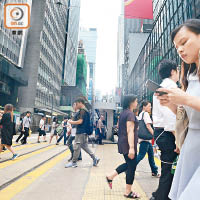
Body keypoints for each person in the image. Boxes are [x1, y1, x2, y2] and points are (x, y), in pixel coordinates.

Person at [156, 19, 200, 200]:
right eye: (176, 47)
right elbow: (190, 115)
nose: (180, 50)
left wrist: (185, 99)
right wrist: (173, 105)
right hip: (192, 143)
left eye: (184, 42)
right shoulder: (190, 75)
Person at [150, 60, 179, 200]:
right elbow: (171, 117)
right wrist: (178, 140)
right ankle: (161, 197)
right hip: (167, 133)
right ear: (173, 71)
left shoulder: (161, 87)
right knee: (169, 169)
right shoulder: (171, 87)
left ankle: (159, 195)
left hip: (161, 132)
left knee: (167, 167)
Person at [106, 95, 139, 198]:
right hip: (128, 145)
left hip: (123, 143)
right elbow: (130, 131)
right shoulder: (130, 114)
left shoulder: (123, 113)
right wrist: (132, 148)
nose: (137, 103)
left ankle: (110, 176)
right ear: (131, 102)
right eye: (136, 101)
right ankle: (128, 191)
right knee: (131, 167)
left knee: (129, 165)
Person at [65, 98, 100, 168]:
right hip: (84, 132)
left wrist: (71, 122)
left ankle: (74, 162)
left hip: (80, 132)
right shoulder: (86, 111)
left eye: (77, 104)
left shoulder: (82, 111)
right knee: (85, 146)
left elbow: (80, 121)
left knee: (76, 147)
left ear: (80, 103)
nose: (76, 106)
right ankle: (95, 158)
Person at [137, 101, 160, 177]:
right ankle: (129, 167)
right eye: (149, 106)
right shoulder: (145, 114)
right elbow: (148, 126)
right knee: (140, 156)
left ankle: (154, 171)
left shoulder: (141, 114)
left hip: (146, 140)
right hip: (145, 139)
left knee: (151, 156)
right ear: (144, 106)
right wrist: (154, 135)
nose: (150, 107)